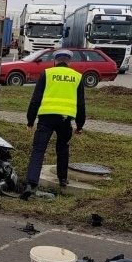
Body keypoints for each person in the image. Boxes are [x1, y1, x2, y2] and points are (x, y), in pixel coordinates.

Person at [21, 49, 86, 200]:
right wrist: (80, 125)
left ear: (55, 61)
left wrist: (30, 121)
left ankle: (31, 184)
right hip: (65, 121)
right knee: (62, 149)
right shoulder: (77, 77)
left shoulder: (47, 73)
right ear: (69, 62)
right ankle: (62, 179)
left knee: (38, 150)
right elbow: (81, 104)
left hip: (46, 119)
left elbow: (35, 99)